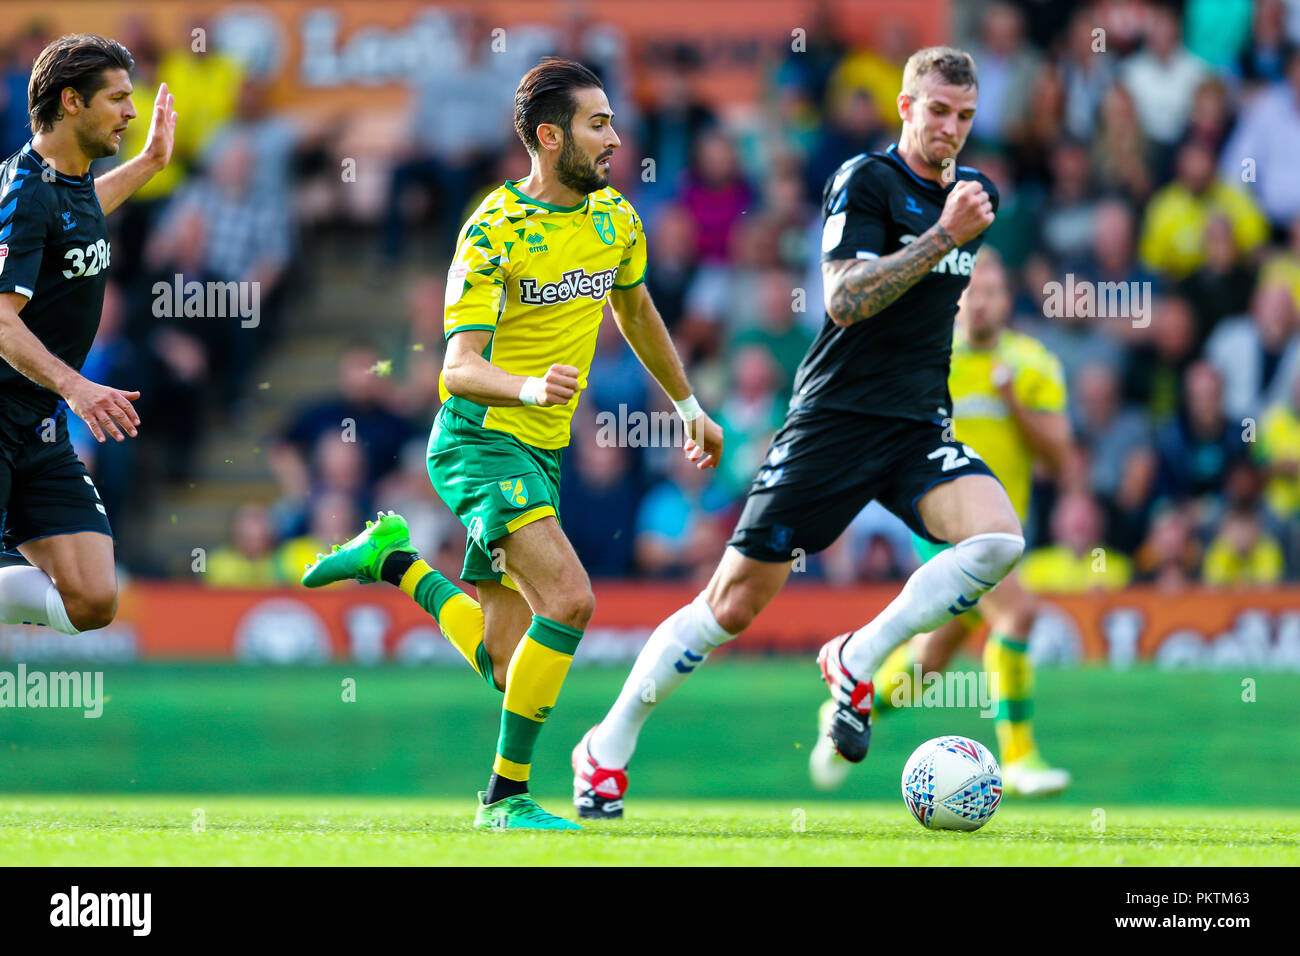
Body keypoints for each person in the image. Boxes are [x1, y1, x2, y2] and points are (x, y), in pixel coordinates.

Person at [575, 47, 1022, 819]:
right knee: (732, 605)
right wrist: (943, 238)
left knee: (998, 541)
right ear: (906, 107)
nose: (951, 128)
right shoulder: (867, 181)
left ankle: (858, 656)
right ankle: (606, 745)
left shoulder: (977, 196)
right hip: (835, 424)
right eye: (937, 110)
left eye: (965, 116)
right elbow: (846, 300)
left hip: (917, 423)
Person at [301, 58, 722, 830]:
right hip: (480, 439)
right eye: (599, 125)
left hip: (540, 451)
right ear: (550, 136)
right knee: (571, 599)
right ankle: (505, 800)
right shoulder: (494, 229)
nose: (616, 140)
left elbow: (633, 311)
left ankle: (390, 560)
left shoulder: (616, 221)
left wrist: (686, 403)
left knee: (505, 661)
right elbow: (457, 370)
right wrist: (529, 387)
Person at [810, 248, 1073, 797]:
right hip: (943, 527)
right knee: (1018, 614)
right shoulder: (932, 358)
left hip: (1008, 535)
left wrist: (1012, 402)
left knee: (929, 662)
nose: (982, 302)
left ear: (1008, 300)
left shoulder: (1031, 363)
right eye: (973, 290)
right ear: (954, 297)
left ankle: (847, 708)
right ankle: (1020, 757)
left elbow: (1062, 459)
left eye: (994, 291)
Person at [0, 35, 175, 637]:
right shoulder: (24, 193)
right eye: (119, 98)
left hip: (37, 427)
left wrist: (150, 163)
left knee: (95, 598)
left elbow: (80, 217)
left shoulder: (68, 182)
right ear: (72, 102)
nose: (131, 111)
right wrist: (78, 387)